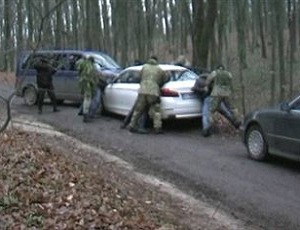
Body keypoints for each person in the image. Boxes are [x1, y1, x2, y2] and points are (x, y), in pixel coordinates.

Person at [128, 56, 169, 134]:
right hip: (153, 92)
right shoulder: (160, 69)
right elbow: (164, 79)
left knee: (138, 110)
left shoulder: (144, 67)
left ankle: (132, 125)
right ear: (157, 60)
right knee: (156, 110)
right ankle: (157, 128)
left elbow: (139, 77)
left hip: (142, 90)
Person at [203, 64, 241, 137]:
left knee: (210, 110)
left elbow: (208, 80)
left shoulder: (215, 73)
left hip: (217, 93)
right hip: (226, 93)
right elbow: (230, 82)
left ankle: (207, 128)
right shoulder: (228, 74)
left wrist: (206, 86)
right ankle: (235, 121)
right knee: (229, 108)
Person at [76, 56, 98, 123]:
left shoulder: (83, 65)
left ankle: (84, 113)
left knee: (85, 99)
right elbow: (91, 77)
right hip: (88, 84)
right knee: (87, 99)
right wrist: (94, 84)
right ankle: (85, 116)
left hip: (82, 83)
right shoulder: (90, 66)